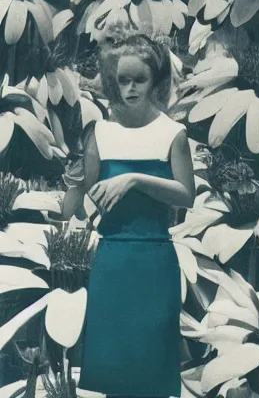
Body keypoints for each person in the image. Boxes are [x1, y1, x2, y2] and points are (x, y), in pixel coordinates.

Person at [60, 24, 195, 398]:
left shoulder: (172, 133)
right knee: (113, 379)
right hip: (112, 262)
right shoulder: (100, 133)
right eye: (123, 81)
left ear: (156, 82)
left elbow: (187, 195)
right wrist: (73, 184)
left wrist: (134, 179)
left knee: (152, 377)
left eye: (140, 80)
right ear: (113, 82)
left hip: (154, 261)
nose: (131, 89)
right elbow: (77, 205)